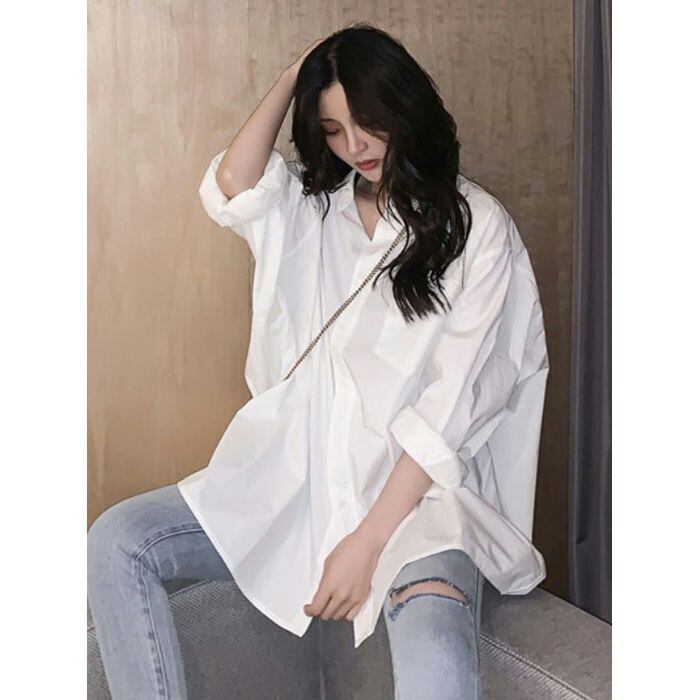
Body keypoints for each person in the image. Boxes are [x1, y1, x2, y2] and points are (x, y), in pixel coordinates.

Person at [87, 22, 550, 700]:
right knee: (119, 540)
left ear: (405, 106)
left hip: (416, 507)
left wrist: (367, 543)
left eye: (368, 122)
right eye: (333, 129)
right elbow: (231, 187)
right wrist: (295, 74)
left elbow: (451, 408)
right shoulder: (309, 210)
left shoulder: (476, 227)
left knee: (434, 646)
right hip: (297, 478)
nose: (355, 146)